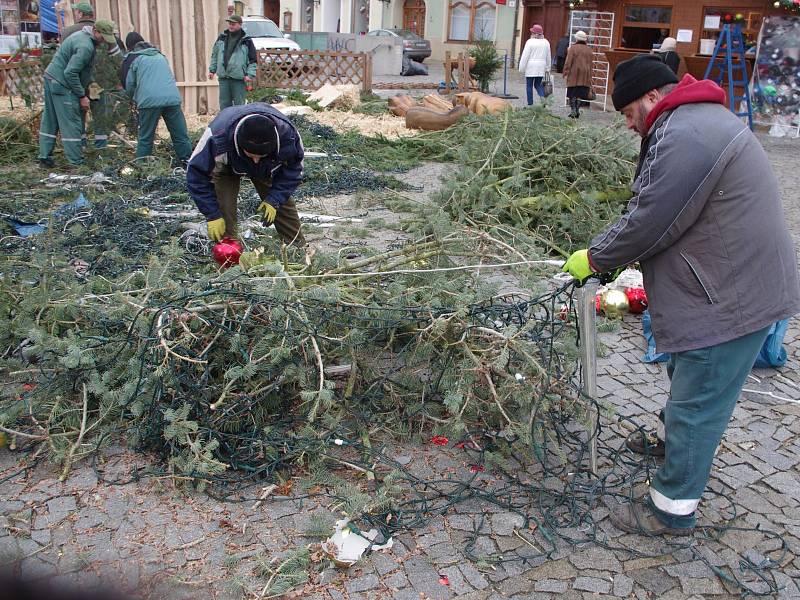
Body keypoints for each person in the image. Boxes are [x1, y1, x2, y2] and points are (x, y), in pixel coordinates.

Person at [562, 54, 800, 535]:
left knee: (698, 401)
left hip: (731, 298)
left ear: (652, 97)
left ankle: (670, 510)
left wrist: (596, 257)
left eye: (629, 115)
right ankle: (674, 446)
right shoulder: (694, 120)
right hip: (727, 281)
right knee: (688, 371)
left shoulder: (687, 133)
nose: (630, 126)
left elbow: (653, 218)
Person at [187, 104, 305, 247]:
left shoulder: (288, 137)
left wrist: (275, 199)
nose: (255, 160)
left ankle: (298, 249)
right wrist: (212, 214)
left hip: (268, 165)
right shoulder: (218, 138)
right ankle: (228, 255)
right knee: (223, 208)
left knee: (281, 203)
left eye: (260, 155)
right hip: (227, 166)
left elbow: (293, 171)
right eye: (251, 155)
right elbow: (196, 175)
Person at [38, 20, 118, 167]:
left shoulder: (82, 37)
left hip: (51, 78)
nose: (104, 41)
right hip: (61, 83)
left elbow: (85, 72)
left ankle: (44, 157)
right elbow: (71, 73)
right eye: (103, 37)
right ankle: (76, 162)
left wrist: (95, 92)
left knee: (51, 119)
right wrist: (82, 96)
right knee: (71, 121)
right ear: (95, 31)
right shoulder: (85, 46)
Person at [123, 35, 192, 163]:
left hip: (149, 101)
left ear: (130, 47)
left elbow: (129, 84)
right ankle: (187, 161)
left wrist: (131, 99)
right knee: (180, 134)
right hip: (172, 98)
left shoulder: (133, 58)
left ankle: (142, 165)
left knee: (146, 137)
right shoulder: (160, 56)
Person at [208, 14, 257, 110]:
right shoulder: (221, 38)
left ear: (240, 24)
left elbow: (253, 60)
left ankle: (239, 124)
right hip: (223, 77)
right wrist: (212, 70)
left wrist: (249, 74)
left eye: (233, 24)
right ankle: (226, 124)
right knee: (224, 104)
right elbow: (214, 55)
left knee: (239, 105)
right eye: (230, 23)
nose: (231, 26)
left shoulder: (246, 41)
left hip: (239, 78)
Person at [562, 30, 593, 118]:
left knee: (572, 92)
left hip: (574, 73)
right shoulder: (589, 49)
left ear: (577, 39)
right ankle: (577, 110)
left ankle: (573, 110)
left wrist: (565, 72)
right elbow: (591, 64)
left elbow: (568, 62)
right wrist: (590, 75)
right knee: (580, 93)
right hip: (585, 75)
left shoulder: (573, 48)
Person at [518, 24, 551, 106]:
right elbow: (548, 56)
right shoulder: (546, 42)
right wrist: (548, 68)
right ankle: (543, 100)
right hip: (541, 67)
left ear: (534, 33)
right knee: (538, 85)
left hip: (531, 67)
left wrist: (521, 68)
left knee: (529, 86)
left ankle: (530, 104)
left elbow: (525, 56)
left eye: (532, 32)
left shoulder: (529, 42)